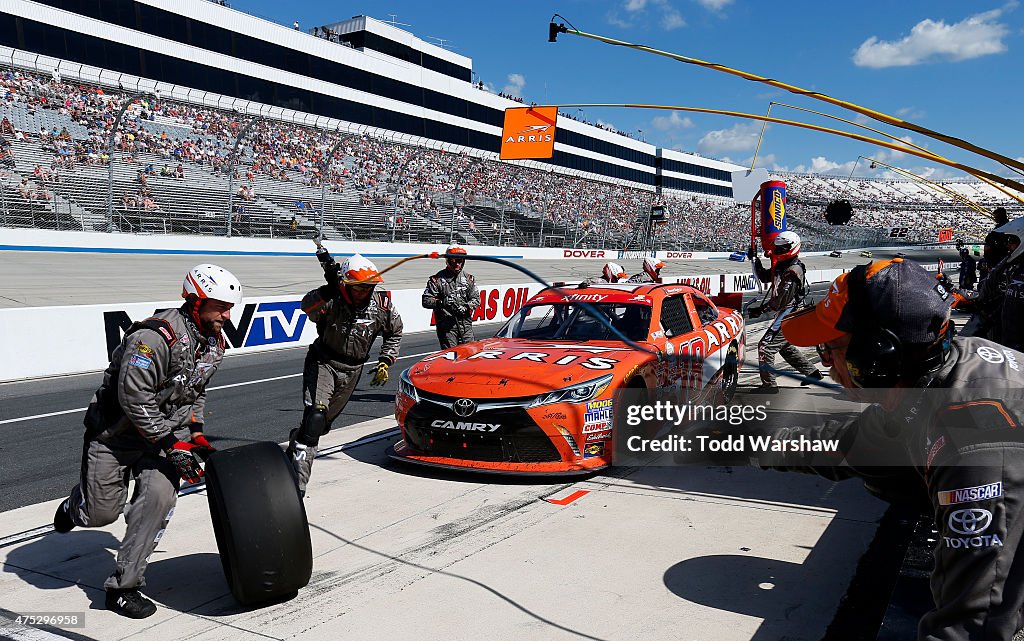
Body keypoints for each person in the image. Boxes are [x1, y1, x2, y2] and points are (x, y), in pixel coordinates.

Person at [764, 257, 1024, 641]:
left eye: (829, 350)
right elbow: (847, 444)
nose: (827, 365)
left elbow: (974, 628)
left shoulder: (977, 448)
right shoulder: (942, 371)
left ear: (876, 357)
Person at [52, 265, 243, 619]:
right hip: (115, 435)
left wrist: (195, 432)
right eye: (220, 306)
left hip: (162, 439)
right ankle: (75, 505)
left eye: (230, 307)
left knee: (157, 499)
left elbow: (195, 391)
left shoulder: (215, 343)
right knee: (100, 514)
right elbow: (133, 397)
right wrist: (172, 443)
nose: (227, 315)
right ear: (196, 300)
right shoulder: (153, 338)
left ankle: (123, 586)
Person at [288, 253, 402, 496]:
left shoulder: (381, 305)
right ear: (348, 285)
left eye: (369, 286)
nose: (365, 291)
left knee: (323, 426)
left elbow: (395, 331)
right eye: (360, 287)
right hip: (324, 362)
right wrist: (328, 290)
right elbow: (306, 307)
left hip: (353, 370)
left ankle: (296, 442)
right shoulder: (332, 299)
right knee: (315, 418)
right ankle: (296, 487)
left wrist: (386, 359)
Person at [747, 231, 821, 393]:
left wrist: (760, 310)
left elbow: (780, 300)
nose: (778, 251)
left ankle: (769, 386)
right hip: (787, 312)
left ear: (792, 248)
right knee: (783, 345)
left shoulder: (793, 270)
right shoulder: (783, 264)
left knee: (765, 347)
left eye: (782, 248)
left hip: (791, 313)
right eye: (777, 247)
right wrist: (755, 260)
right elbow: (765, 277)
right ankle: (812, 373)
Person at [422, 245, 479, 349]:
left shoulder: (469, 279)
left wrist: (466, 307)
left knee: (470, 356)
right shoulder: (437, 280)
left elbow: (476, 299)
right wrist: (442, 302)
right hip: (447, 329)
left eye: (460, 260)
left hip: (466, 327)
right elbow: (426, 300)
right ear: (447, 260)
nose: (458, 263)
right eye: (454, 260)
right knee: (451, 358)